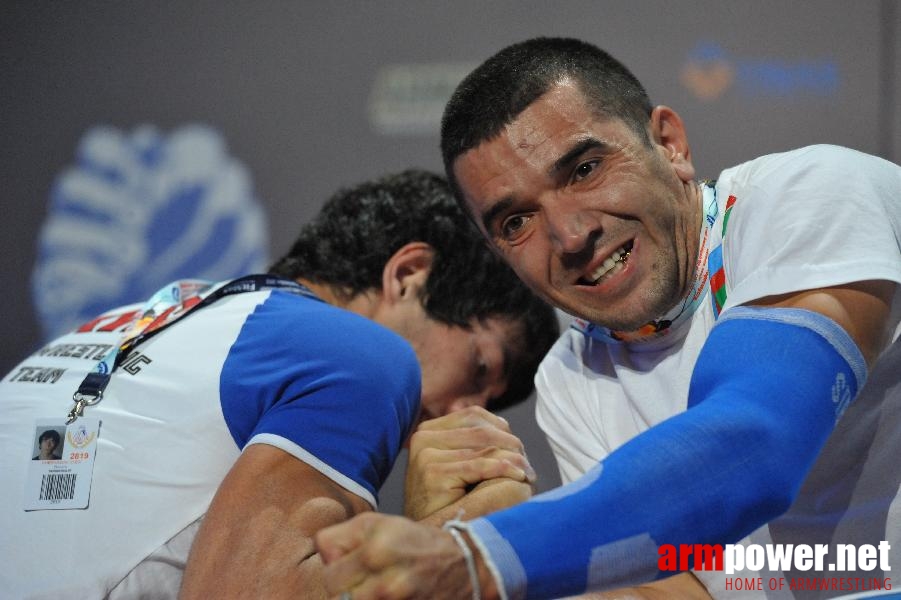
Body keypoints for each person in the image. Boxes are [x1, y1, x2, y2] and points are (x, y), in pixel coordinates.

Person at [316, 37, 901, 600]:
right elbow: (672, 590)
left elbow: (757, 444)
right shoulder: (569, 378)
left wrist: (476, 556)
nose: (570, 236)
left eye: (584, 169)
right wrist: (448, 549)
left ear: (669, 144)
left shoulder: (811, 193)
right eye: (516, 222)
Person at [0, 169, 560, 598]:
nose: (463, 412)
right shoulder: (366, 356)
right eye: (479, 369)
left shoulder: (163, 317)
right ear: (409, 277)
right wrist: (454, 537)